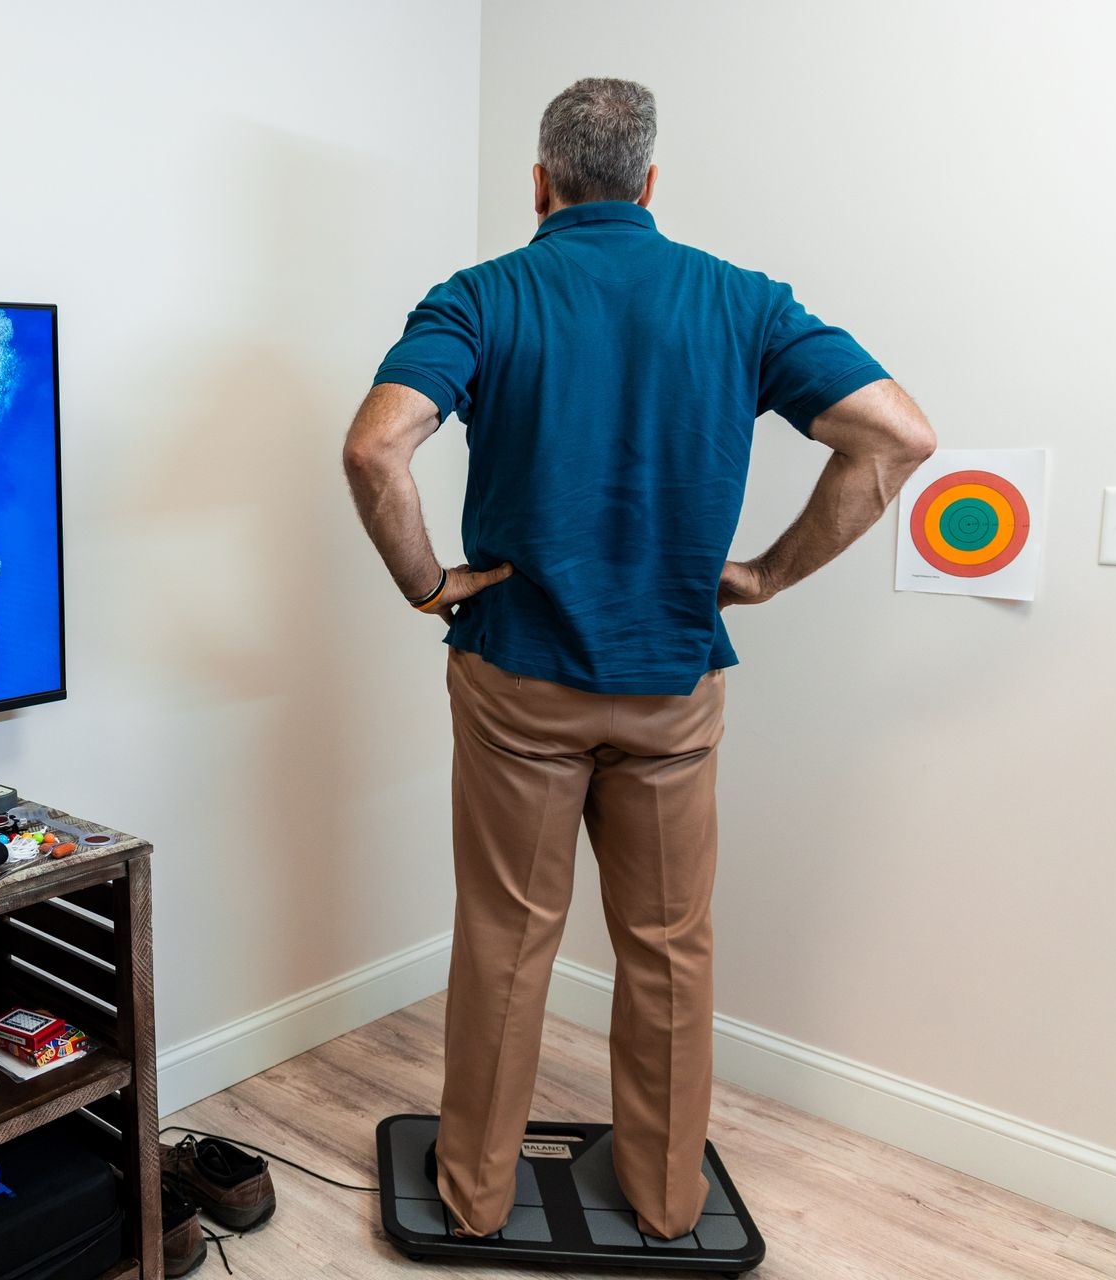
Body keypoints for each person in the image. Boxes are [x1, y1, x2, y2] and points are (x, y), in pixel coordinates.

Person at [341, 77, 935, 1241]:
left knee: (509, 943)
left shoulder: (481, 296)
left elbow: (375, 451)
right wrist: (762, 574)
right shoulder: (740, 301)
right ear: (651, 183)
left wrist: (427, 583)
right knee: (668, 950)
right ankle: (667, 1204)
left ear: (539, 181)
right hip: (671, 684)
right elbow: (898, 436)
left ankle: (472, 1199)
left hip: (517, 676)